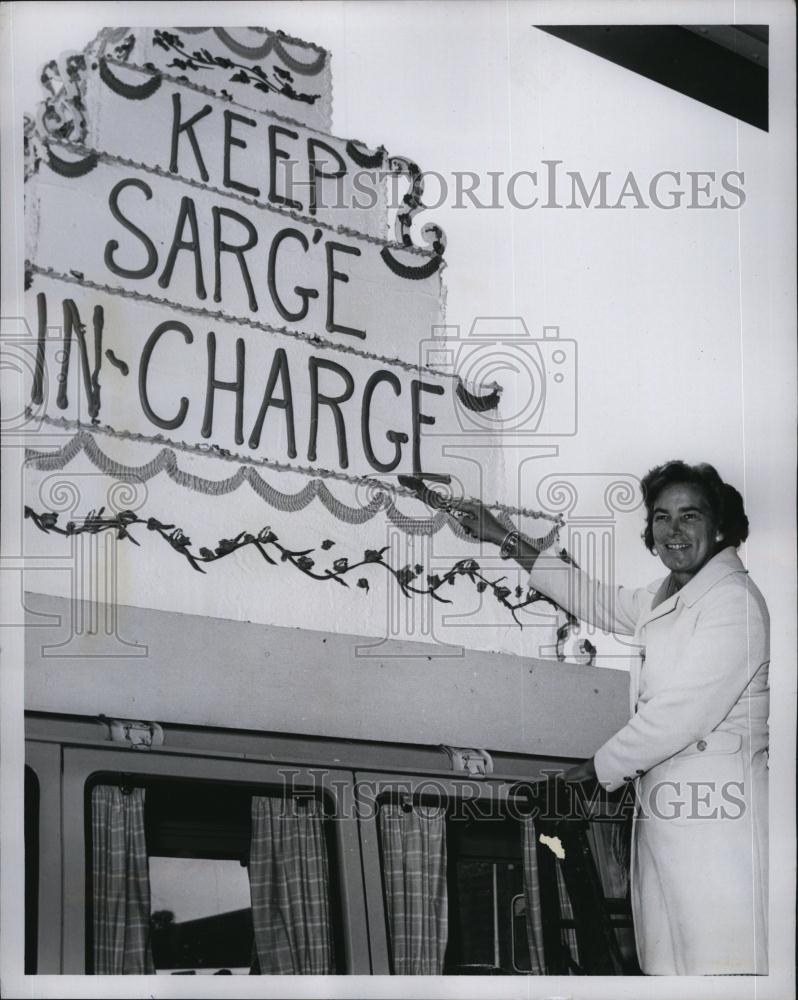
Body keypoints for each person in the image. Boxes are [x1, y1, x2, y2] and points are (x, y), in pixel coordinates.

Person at [448, 460, 769, 976]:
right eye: (661, 518)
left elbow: (676, 717)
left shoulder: (733, 603)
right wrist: (499, 534)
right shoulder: (669, 597)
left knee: (721, 972)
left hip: (719, 827)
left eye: (690, 516)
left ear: (721, 526)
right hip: (669, 824)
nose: (673, 531)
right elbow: (592, 597)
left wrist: (594, 769)